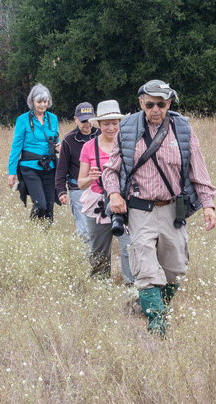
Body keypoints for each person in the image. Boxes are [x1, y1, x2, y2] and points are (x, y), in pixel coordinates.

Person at [102, 80, 216, 336]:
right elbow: (111, 169)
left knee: (175, 270)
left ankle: (148, 306)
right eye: (150, 104)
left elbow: (198, 170)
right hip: (139, 209)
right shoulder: (128, 129)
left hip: (173, 209)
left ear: (169, 103)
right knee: (146, 268)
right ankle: (157, 326)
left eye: (161, 104)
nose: (156, 109)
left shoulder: (183, 130)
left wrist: (208, 205)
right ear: (141, 102)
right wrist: (113, 194)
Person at [77, 100, 134, 286]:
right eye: (106, 123)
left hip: (125, 204)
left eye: (115, 123)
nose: (111, 127)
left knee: (129, 248)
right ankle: (101, 291)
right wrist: (91, 178)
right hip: (98, 205)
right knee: (99, 250)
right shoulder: (88, 147)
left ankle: (132, 289)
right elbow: (80, 182)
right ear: (99, 125)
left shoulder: (130, 145)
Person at [7, 84, 61, 222]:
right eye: (39, 102)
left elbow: (55, 139)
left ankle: (46, 236)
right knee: (40, 205)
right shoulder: (23, 119)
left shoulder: (53, 118)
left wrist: (59, 146)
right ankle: (32, 230)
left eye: (45, 101)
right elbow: (16, 146)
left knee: (49, 207)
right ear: (32, 102)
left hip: (49, 166)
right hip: (30, 167)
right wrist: (12, 172)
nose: (42, 105)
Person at [55, 102, 100, 242]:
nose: (86, 124)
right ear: (75, 119)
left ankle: (100, 260)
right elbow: (62, 168)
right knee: (85, 230)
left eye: (89, 120)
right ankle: (88, 261)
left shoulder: (101, 134)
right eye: (83, 121)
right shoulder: (69, 140)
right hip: (78, 189)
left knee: (101, 229)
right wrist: (61, 191)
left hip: (101, 188)